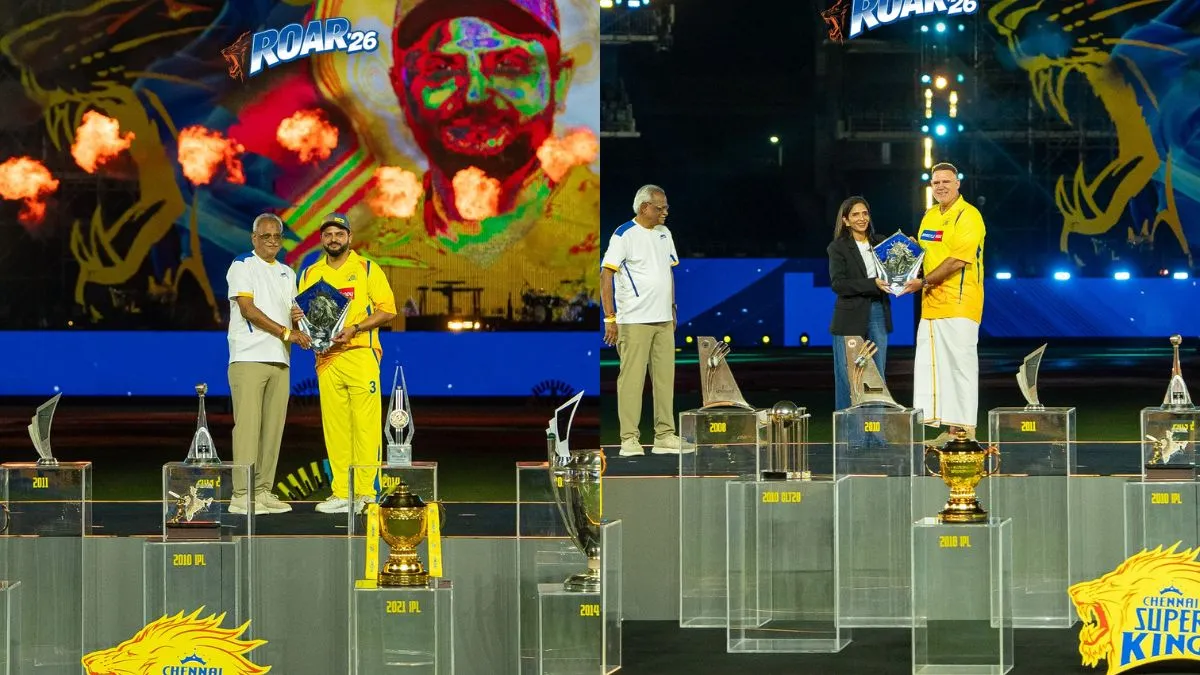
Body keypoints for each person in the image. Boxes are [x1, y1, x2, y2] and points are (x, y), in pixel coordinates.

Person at [296, 213, 398, 514]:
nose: (334, 239)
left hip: (360, 353)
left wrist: (356, 328)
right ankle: (341, 492)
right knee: (336, 429)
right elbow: (305, 314)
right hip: (327, 359)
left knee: (366, 427)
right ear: (321, 239)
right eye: (328, 234)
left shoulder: (366, 268)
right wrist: (297, 319)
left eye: (339, 234)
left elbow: (388, 310)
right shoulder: (310, 273)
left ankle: (366, 493)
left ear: (350, 238)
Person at [226, 213, 311, 515]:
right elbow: (248, 310)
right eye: (266, 236)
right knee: (248, 428)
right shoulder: (242, 264)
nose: (272, 241)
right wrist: (288, 332)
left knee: (273, 430)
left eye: (277, 236)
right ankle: (241, 495)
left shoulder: (288, 272)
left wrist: (300, 320)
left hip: (280, 358)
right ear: (254, 238)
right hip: (249, 357)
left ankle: (262, 491)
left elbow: (292, 315)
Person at [900, 163, 987, 440]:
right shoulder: (929, 216)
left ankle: (965, 431)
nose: (940, 186)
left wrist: (923, 282)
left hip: (960, 303)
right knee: (934, 370)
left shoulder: (969, 215)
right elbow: (926, 255)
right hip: (931, 305)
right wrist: (908, 251)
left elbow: (957, 260)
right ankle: (951, 431)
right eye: (936, 182)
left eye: (946, 181)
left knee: (960, 368)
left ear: (957, 183)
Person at [601, 185, 683, 457]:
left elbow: (668, 273)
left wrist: (672, 309)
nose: (665, 212)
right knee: (632, 382)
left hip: (663, 320)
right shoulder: (623, 234)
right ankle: (629, 439)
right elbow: (605, 275)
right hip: (634, 320)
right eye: (660, 208)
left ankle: (664, 436)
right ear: (644, 207)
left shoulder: (664, 233)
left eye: (666, 207)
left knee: (665, 380)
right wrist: (610, 317)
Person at [828, 196, 892, 410]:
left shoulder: (881, 242)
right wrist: (872, 284)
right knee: (848, 375)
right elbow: (838, 284)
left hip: (877, 312)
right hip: (849, 317)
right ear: (845, 220)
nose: (861, 218)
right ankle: (848, 429)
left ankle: (876, 428)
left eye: (865, 213)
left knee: (877, 374)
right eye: (855, 214)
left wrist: (910, 249)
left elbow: (898, 270)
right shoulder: (837, 248)